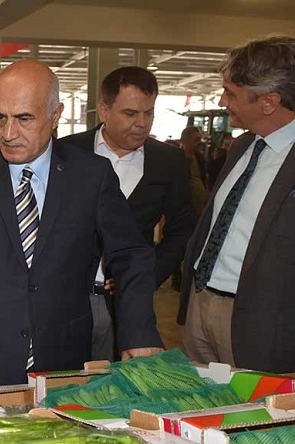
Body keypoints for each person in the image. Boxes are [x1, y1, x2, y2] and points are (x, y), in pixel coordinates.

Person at [0, 60, 163, 392]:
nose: (8, 133)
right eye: (0, 118)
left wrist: (139, 331)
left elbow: (131, 253)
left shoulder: (91, 176)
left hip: (64, 356)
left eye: (24, 118)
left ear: (55, 115)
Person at [179, 35, 295, 373]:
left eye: (231, 93)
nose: (222, 100)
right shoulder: (243, 146)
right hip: (201, 304)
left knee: (249, 404)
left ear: (269, 102)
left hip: (258, 325)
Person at [61, 67, 194, 361]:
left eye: (149, 113)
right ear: (104, 110)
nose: (142, 123)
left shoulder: (169, 160)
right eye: (131, 113)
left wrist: (147, 275)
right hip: (67, 301)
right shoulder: (67, 151)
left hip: (128, 306)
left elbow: (182, 229)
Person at [179, 126, 208, 214]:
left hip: (200, 206)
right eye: (197, 139)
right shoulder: (177, 159)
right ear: (186, 141)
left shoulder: (199, 158)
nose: (200, 142)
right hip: (185, 208)